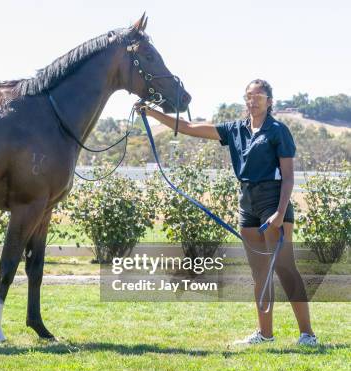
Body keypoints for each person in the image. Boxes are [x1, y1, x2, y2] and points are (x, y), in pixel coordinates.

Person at [135, 79, 317, 346]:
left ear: (269, 101)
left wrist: (279, 212)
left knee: (285, 268)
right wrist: (151, 113)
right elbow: (188, 127)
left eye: (258, 95)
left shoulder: (278, 131)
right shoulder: (234, 129)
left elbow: (288, 177)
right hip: (247, 202)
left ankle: (307, 335)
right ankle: (265, 334)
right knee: (259, 274)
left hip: (273, 200)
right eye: (248, 96)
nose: (252, 100)